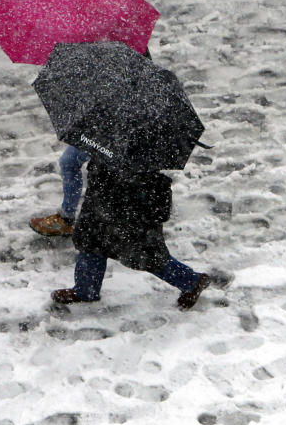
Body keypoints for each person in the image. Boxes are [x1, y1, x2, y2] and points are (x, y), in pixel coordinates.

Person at [49, 158, 210, 310]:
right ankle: (85, 289)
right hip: (104, 187)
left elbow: (142, 164)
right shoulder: (107, 133)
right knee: (91, 238)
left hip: (131, 197)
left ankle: (191, 281)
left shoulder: (139, 137)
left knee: (143, 253)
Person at [29, 45, 153, 237]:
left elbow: (125, 88)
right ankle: (83, 218)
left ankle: (70, 219)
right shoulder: (125, 44)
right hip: (106, 121)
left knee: (74, 164)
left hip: (110, 124)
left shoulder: (120, 49)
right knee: (83, 166)